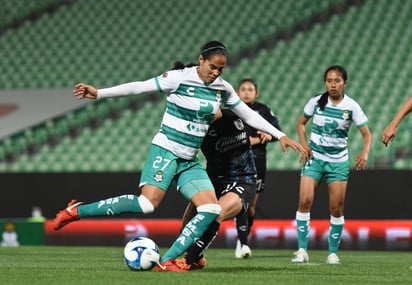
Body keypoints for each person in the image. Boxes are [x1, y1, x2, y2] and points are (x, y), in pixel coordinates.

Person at [54, 40, 305, 272]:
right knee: (147, 204)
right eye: (212, 67)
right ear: (201, 60)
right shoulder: (178, 78)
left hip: (189, 160)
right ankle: (77, 211)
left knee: (209, 208)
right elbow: (139, 87)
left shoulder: (222, 88)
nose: (216, 73)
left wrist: (279, 135)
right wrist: (99, 93)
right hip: (165, 150)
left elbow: (248, 115)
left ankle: (166, 261)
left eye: (221, 69)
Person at [291, 65, 371, 265]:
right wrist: (304, 146)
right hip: (315, 158)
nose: (333, 85)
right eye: (329, 81)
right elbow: (300, 123)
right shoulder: (316, 102)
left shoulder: (351, 106)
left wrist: (365, 152)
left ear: (345, 83)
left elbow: (367, 134)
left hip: (338, 162)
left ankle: (332, 253)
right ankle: (301, 250)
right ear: (325, 82)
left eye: (337, 81)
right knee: (304, 201)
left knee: (336, 208)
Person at [174, 104, 262, 270]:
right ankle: (194, 257)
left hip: (243, 180)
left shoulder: (235, 115)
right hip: (213, 181)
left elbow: (259, 123)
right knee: (186, 226)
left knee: (215, 213)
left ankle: (189, 261)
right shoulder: (196, 129)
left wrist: (269, 133)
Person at [234, 78, 281, 259]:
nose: (246, 92)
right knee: (241, 203)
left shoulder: (263, 110)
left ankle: (242, 238)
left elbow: (278, 132)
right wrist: (250, 140)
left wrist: (268, 134)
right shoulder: (232, 110)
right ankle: (244, 243)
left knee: (251, 206)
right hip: (237, 162)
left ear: (256, 93)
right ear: (237, 92)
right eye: (243, 89)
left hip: (258, 162)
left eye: (250, 89)